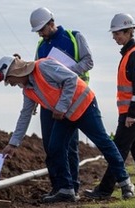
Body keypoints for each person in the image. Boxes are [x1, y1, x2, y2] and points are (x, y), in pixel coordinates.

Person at [0, 55, 135, 203]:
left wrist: (61, 107)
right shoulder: (28, 90)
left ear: (16, 72)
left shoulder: (43, 66)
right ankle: (66, 189)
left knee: (103, 143)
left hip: (84, 106)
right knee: (55, 147)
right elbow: (25, 116)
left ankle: (126, 183)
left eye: (9, 80)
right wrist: (13, 143)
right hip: (66, 115)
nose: (11, 84)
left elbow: (71, 79)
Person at [84, 13, 135, 200]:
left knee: (117, 148)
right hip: (134, 111)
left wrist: (132, 114)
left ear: (129, 32)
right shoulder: (130, 53)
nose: (114, 37)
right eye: (114, 34)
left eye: (118, 33)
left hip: (134, 112)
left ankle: (104, 190)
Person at [29, 7, 94, 197]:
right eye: (38, 31)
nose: (40, 33)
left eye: (42, 29)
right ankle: (58, 186)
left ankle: (72, 186)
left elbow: (88, 61)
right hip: (48, 103)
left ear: (51, 23)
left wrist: (67, 73)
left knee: (70, 145)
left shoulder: (74, 37)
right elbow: (35, 74)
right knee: (50, 145)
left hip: (70, 100)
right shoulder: (41, 46)